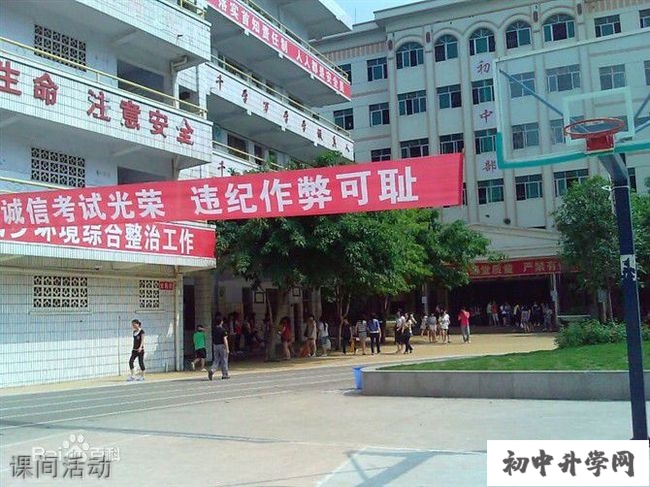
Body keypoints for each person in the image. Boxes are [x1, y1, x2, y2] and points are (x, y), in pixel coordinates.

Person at [208, 314, 230, 380]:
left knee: (216, 360)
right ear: (221, 322)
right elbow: (225, 339)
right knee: (224, 360)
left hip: (215, 345)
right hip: (222, 346)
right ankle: (225, 374)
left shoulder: (214, 329)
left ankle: (212, 370)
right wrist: (227, 348)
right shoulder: (223, 330)